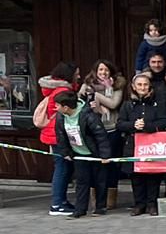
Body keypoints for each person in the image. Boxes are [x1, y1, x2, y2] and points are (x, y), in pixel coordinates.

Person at [52, 90, 112, 218]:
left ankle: (100, 207)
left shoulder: (88, 115)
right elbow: (60, 136)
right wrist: (65, 152)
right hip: (79, 153)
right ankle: (80, 209)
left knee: (99, 181)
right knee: (81, 181)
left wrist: (105, 155)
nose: (55, 108)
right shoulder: (60, 116)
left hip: (94, 153)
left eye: (57, 105)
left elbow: (100, 136)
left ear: (66, 107)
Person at [118, 71, 166, 216]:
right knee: (136, 177)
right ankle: (139, 204)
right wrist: (133, 125)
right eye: (139, 84)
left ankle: (151, 204)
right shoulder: (127, 105)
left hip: (151, 145)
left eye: (145, 84)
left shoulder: (157, 104)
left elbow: (165, 121)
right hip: (133, 144)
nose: (142, 87)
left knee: (153, 176)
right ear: (133, 87)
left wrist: (148, 126)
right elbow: (120, 124)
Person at [35, 61, 78, 216]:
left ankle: (61, 200)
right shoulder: (63, 90)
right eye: (76, 74)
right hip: (58, 134)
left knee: (63, 167)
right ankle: (57, 204)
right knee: (62, 168)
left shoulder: (53, 89)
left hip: (52, 133)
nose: (78, 76)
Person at [84, 60, 126, 211]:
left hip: (111, 128)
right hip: (94, 128)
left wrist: (97, 97)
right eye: (100, 70)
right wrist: (96, 105)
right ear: (95, 71)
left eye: (106, 70)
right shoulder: (87, 85)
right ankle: (96, 200)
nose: (103, 73)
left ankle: (110, 199)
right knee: (95, 165)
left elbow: (114, 104)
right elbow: (83, 103)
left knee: (112, 165)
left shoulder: (117, 86)